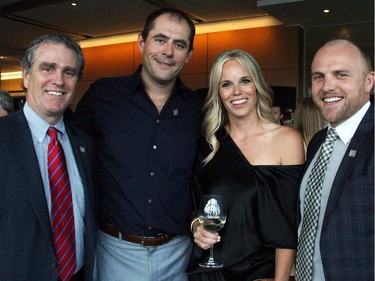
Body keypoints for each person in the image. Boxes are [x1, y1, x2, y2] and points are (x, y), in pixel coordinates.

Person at [72, 8, 205, 281]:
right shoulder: (104, 96)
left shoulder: (198, 109)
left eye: (179, 44)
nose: (168, 51)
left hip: (178, 254)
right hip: (114, 252)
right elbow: (70, 154)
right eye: (160, 39)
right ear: (142, 42)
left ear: (189, 55)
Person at [187, 49, 305, 281]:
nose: (237, 92)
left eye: (245, 81)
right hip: (213, 273)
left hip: (263, 274)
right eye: (226, 84)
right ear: (218, 93)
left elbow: (289, 223)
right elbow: (195, 204)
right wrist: (196, 228)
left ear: (257, 85)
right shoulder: (210, 145)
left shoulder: (287, 140)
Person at [0, 34, 97, 281]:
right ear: (25, 75)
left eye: (69, 72)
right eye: (47, 68)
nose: (58, 80)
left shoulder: (85, 145)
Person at [296, 39, 374, 280]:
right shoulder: (318, 141)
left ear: (368, 81)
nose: (327, 86)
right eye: (318, 76)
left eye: (341, 74)